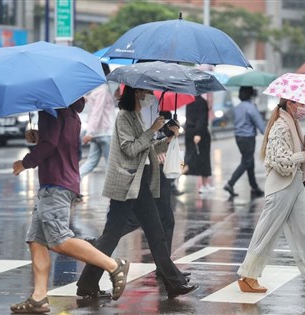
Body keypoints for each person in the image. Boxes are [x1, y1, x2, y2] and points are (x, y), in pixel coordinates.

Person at [76, 86, 197, 300]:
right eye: (146, 92)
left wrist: (167, 138)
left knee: (155, 233)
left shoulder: (135, 116)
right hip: (126, 184)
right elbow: (130, 149)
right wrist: (152, 130)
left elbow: (146, 149)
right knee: (111, 236)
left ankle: (174, 284)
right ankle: (86, 284)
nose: (150, 95)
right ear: (137, 93)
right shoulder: (124, 117)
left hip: (138, 183)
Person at [10, 98, 129, 314]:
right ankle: (39, 298)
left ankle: (113, 265)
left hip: (56, 183)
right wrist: (39, 136)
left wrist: (25, 162)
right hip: (59, 181)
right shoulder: (70, 111)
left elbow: (50, 144)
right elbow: (58, 141)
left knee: (59, 240)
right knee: (36, 241)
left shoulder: (50, 110)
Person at [237, 98, 305, 296]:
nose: (304, 108)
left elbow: (295, 156)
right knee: (267, 233)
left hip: (295, 185)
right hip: (280, 187)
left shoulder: (293, 124)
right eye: (300, 104)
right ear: (289, 104)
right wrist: (304, 154)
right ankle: (248, 275)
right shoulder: (280, 126)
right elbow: (279, 161)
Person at [223, 86, 265, 198]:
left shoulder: (237, 107)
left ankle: (254, 187)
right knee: (247, 162)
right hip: (248, 138)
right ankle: (230, 183)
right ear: (251, 94)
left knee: (249, 162)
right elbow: (260, 125)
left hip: (238, 137)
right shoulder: (251, 107)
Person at [79, 63, 115, 180]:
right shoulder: (103, 90)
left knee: (91, 162)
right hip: (104, 133)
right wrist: (90, 133)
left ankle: (72, 185)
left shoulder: (96, 90)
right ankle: (115, 193)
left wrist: (91, 132)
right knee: (112, 166)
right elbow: (97, 113)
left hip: (97, 134)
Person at [183, 95, 213, 194]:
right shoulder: (202, 102)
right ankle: (174, 178)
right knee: (197, 160)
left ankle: (205, 184)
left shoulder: (189, 101)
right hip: (200, 135)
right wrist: (198, 133)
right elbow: (202, 119)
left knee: (191, 158)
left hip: (190, 133)